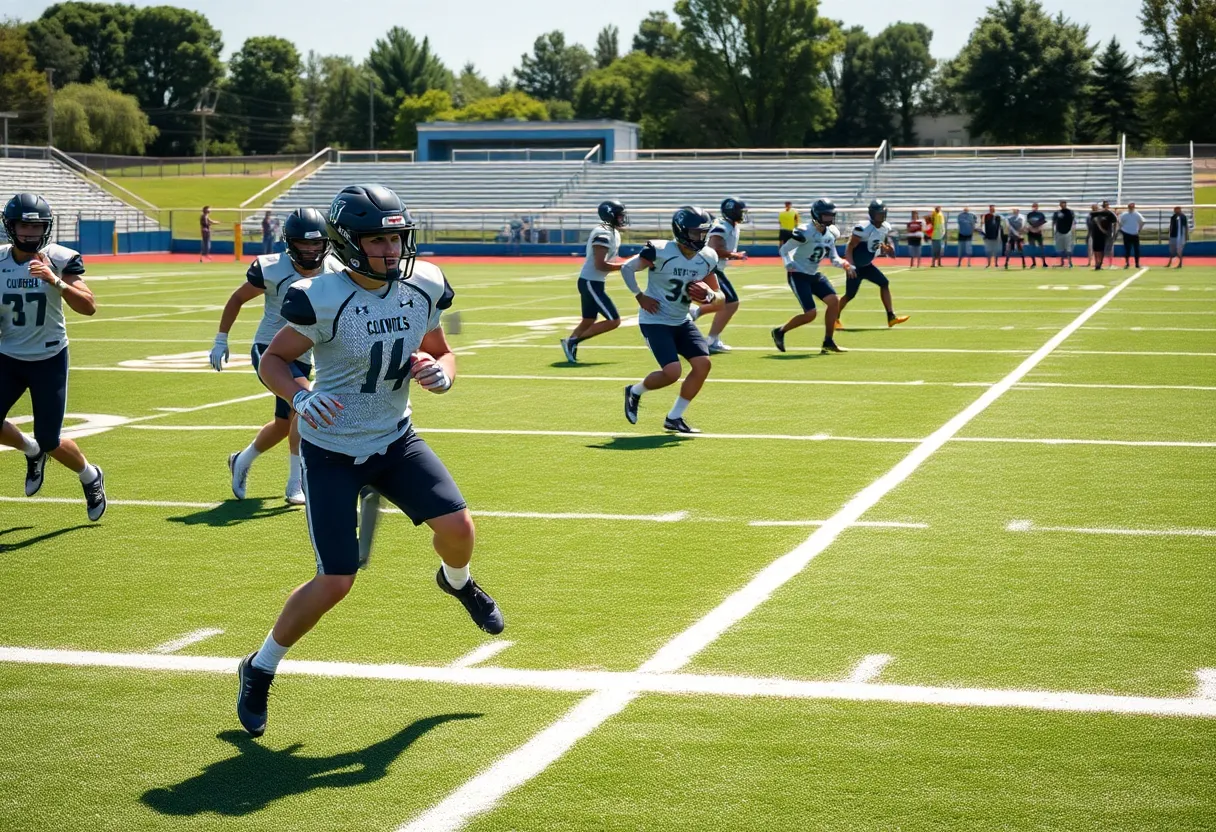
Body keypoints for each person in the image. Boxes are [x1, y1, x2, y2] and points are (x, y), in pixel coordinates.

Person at [235, 184, 503, 738]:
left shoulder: (424, 283)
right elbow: (273, 359)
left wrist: (441, 371)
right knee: (336, 581)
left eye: (396, 237)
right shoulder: (318, 295)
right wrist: (301, 395)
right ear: (348, 243)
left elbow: (440, 345)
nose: (390, 249)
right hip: (333, 452)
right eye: (377, 239)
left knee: (459, 528)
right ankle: (259, 668)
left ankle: (457, 582)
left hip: (396, 438)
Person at [210, 208, 342, 505]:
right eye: (303, 244)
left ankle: (241, 459)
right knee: (303, 404)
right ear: (289, 243)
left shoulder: (334, 269)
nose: (310, 250)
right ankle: (295, 483)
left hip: (305, 354)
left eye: (315, 244)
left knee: (284, 425)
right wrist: (221, 338)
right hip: (270, 350)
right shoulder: (272, 268)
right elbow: (238, 298)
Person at [0, 193, 107, 521]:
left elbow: (88, 306)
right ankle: (30, 451)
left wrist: (55, 281)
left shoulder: (58, 258)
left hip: (48, 358)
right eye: (24, 225)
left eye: (37, 226)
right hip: (8, 356)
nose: (31, 233)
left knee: (50, 438)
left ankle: (90, 475)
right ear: (10, 226)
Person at [620, 206, 724, 434]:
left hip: (681, 320)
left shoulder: (707, 257)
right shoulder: (659, 251)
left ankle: (674, 417)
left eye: (704, 232)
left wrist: (709, 295)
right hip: (655, 320)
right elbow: (627, 268)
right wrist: (640, 296)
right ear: (681, 231)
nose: (701, 237)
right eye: (696, 232)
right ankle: (635, 391)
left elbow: (720, 297)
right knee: (672, 373)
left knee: (703, 364)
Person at [771, 198, 852, 355]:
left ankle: (828, 341)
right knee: (810, 314)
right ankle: (780, 331)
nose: (829, 219)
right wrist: (788, 262)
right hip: (798, 274)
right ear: (816, 215)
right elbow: (784, 250)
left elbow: (833, 257)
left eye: (831, 216)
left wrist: (844, 264)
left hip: (813, 274)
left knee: (834, 302)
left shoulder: (832, 232)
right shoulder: (804, 231)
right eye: (826, 216)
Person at [561, 200, 629, 363]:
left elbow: (614, 259)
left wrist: (635, 261)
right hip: (591, 282)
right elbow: (601, 265)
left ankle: (569, 343)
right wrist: (626, 266)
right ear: (610, 215)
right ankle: (572, 341)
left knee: (589, 320)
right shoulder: (603, 233)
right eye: (619, 215)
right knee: (614, 320)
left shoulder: (612, 232)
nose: (622, 218)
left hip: (593, 282)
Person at [837, 199, 909, 329]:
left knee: (884, 283)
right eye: (879, 213)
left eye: (883, 213)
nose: (881, 216)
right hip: (856, 267)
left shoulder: (885, 227)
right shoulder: (863, 228)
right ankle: (834, 318)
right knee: (849, 295)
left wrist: (887, 248)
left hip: (867, 265)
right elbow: (850, 246)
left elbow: (881, 241)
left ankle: (891, 317)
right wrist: (850, 266)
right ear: (872, 214)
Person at [694, 197, 747, 354]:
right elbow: (713, 249)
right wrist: (734, 255)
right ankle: (710, 339)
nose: (743, 214)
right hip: (708, 267)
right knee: (730, 302)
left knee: (726, 302)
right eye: (740, 211)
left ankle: (710, 336)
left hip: (713, 267)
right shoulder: (722, 227)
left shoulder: (731, 226)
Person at [1090, 203, 1117, 271]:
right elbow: (1092, 214)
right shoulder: (1094, 214)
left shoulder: (1107, 214)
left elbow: (1115, 220)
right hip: (1095, 234)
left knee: (1102, 250)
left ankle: (1100, 264)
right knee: (1096, 250)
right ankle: (1097, 264)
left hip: (1103, 235)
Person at [1119, 201, 1144, 268]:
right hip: (1127, 233)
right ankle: (1127, 263)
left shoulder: (1137, 214)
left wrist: (1139, 229)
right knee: (1127, 249)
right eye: (1130, 206)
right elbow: (1120, 223)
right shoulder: (1124, 214)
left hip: (1135, 233)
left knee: (1137, 249)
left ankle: (1137, 263)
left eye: (1132, 207)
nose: (1131, 208)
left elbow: (1142, 222)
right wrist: (1122, 230)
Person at [1052, 200, 1076, 268]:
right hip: (1059, 232)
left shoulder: (1070, 212)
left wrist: (1072, 230)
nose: (1063, 205)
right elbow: (1054, 222)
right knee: (1061, 248)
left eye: (1064, 204)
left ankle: (1070, 262)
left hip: (1068, 232)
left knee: (1068, 248)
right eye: (1062, 204)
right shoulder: (1057, 213)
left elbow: (1073, 221)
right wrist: (1054, 231)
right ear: (1060, 205)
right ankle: (1062, 262)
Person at [1026, 203, 1048, 268]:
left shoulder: (1040, 215)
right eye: (1033, 207)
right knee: (1032, 248)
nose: (1034, 208)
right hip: (1031, 233)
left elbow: (1043, 223)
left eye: (1035, 207)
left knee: (1041, 248)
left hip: (1038, 233)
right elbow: (1028, 223)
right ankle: (1033, 263)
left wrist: (1039, 228)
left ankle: (1044, 262)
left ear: (1037, 207)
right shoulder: (1029, 215)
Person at [1100, 201, 1117, 266]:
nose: (1106, 207)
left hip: (1109, 233)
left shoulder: (1110, 214)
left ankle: (1110, 263)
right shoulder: (1100, 213)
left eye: (1107, 205)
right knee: (1101, 248)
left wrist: (1114, 232)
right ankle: (1101, 262)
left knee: (1110, 248)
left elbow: (1115, 222)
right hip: (1101, 234)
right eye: (1105, 205)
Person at [1085, 203, 1100, 268]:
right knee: (1090, 248)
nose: (1095, 208)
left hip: (1099, 234)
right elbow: (1089, 225)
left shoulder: (1100, 215)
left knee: (1098, 249)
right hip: (1091, 233)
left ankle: (1098, 262)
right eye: (1094, 207)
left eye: (1096, 207)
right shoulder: (1089, 216)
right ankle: (1090, 261)